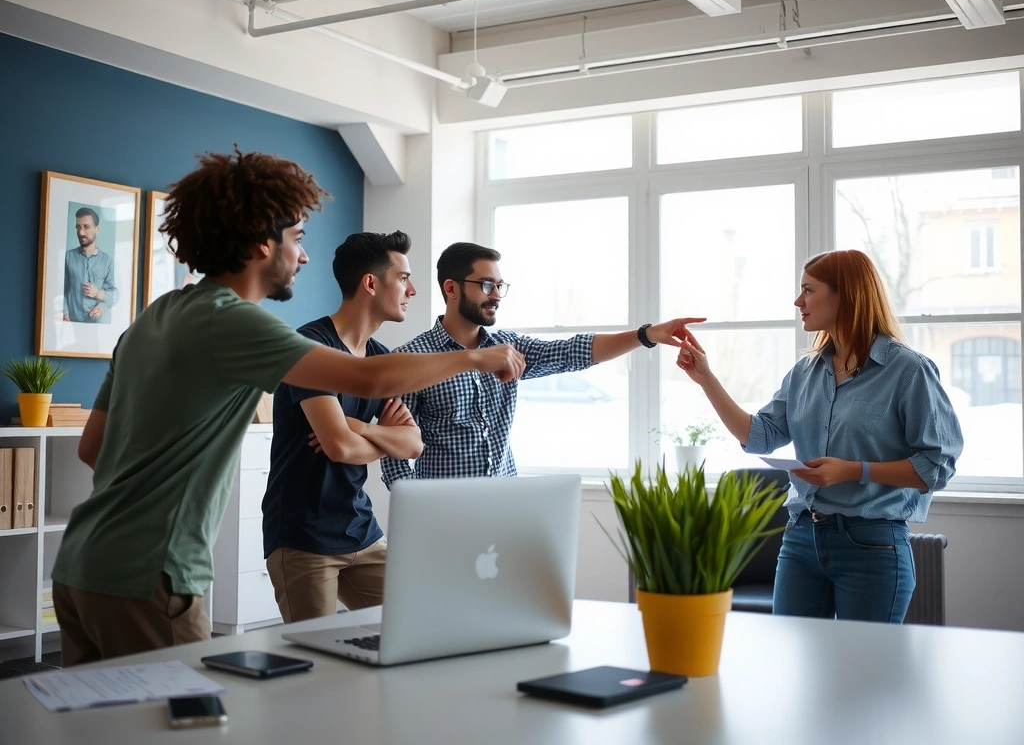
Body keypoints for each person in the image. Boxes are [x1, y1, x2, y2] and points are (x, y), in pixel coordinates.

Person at [50, 149, 525, 665]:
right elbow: (367, 378)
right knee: (184, 713)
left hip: (81, 562)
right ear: (263, 243)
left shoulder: (155, 316)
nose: (303, 257)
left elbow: (93, 448)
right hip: (149, 572)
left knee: (102, 713)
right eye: (297, 238)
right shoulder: (233, 321)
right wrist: (475, 357)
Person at [675, 249, 963, 623]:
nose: (799, 301)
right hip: (800, 541)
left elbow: (936, 467)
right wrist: (706, 379)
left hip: (872, 546)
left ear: (845, 295)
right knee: (794, 659)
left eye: (808, 290)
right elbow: (760, 436)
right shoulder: (804, 372)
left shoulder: (908, 370)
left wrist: (853, 470)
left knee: (862, 661)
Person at [381, 242, 703, 487]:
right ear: (451, 288)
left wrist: (647, 334)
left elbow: (572, 352)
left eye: (499, 286)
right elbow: (393, 456)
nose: (496, 295)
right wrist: (419, 510)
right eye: (486, 285)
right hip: (444, 517)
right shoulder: (410, 360)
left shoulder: (508, 348)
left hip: (507, 510)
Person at [263, 231, 420, 621]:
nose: (412, 290)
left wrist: (361, 428)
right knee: (314, 651)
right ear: (371, 283)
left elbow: (413, 443)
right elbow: (339, 448)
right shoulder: (311, 348)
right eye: (403, 278)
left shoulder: (380, 360)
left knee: (412, 623)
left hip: (361, 529)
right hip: (303, 535)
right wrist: (377, 437)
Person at [63, 207, 118, 323]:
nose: (80, 232)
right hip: (70, 323)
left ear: (97, 229)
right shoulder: (67, 257)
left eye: (86, 227)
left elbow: (115, 294)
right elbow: (61, 289)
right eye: (78, 226)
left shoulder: (108, 261)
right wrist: (65, 312)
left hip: (98, 325)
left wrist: (99, 301)